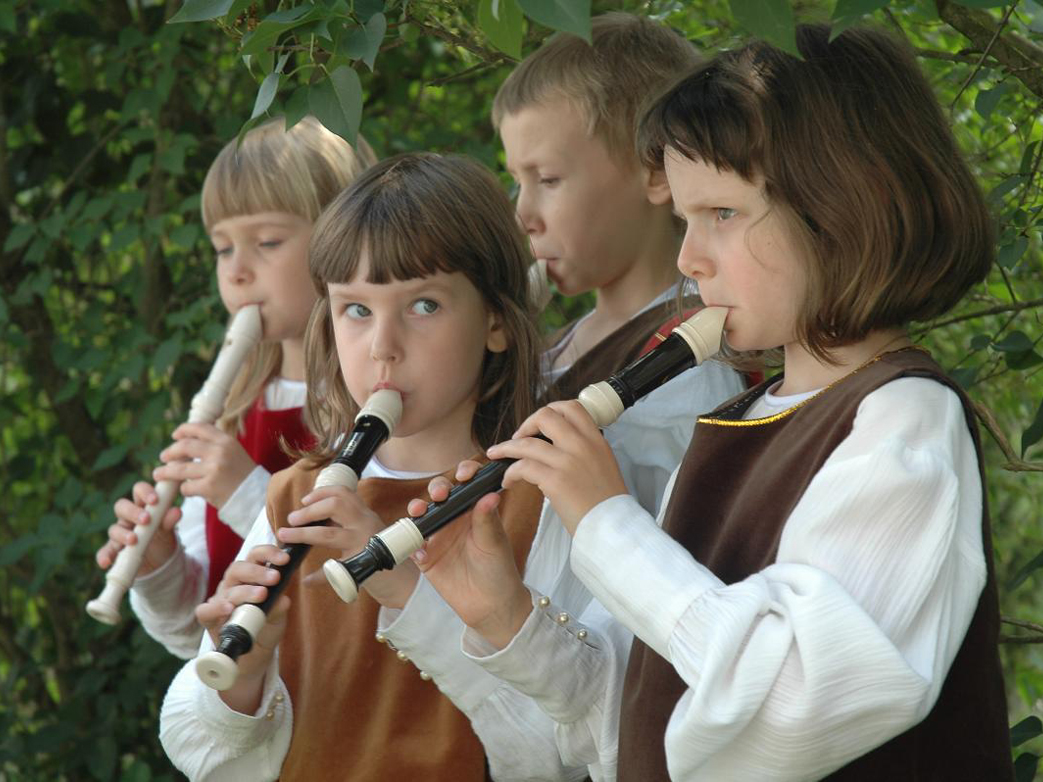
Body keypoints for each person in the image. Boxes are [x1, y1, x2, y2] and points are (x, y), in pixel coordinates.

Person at [416, 24, 1015, 781]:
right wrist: (507, 618)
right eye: (685, 218)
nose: (688, 257)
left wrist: (607, 524)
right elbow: (643, 720)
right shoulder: (740, 419)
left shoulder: (903, 422)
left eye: (721, 215)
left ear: (842, 207)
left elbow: (795, 701)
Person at [158, 152, 559, 781]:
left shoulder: (539, 493)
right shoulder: (295, 496)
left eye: (423, 305)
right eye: (357, 310)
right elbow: (196, 750)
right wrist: (243, 680)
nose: (382, 347)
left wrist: (405, 591)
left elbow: (557, 751)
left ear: (496, 322)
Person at [94, 116, 376, 658]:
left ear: (340, 242)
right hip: (247, 696)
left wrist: (247, 495)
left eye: (266, 241)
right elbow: (192, 633)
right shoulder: (234, 408)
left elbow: (358, 584)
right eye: (223, 249)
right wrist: (160, 569)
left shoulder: (373, 403)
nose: (237, 270)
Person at [495, 11, 744, 514]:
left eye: (548, 180)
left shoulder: (691, 367)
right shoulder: (554, 346)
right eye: (518, 182)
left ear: (656, 171)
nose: (523, 216)